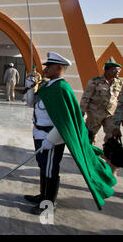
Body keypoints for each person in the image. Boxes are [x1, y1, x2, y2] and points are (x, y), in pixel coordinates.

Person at [24, 52, 116, 214]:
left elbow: (66, 121)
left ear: (59, 68)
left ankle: (49, 204)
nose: (45, 69)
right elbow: (32, 104)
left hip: (51, 138)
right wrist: (30, 86)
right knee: (43, 166)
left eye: (49, 66)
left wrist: (51, 140)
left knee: (51, 169)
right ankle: (42, 195)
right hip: (39, 134)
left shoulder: (62, 88)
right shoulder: (47, 86)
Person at [80, 61, 122, 145]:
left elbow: (120, 99)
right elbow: (86, 97)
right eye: (115, 70)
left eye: (119, 70)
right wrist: (82, 112)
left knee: (112, 135)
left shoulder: (119, 82)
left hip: (110, 114)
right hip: (95, 113)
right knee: (90, 135)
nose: (118, 72)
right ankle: (90, 153)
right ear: (107, 70)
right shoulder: (94, 81)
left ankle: (108, 154)